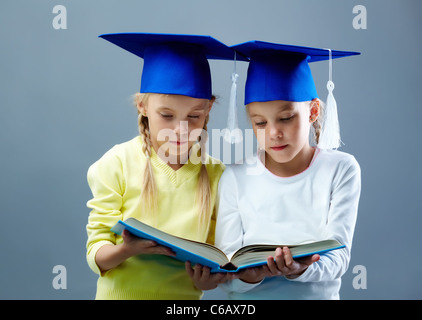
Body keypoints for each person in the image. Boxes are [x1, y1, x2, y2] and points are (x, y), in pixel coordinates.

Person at [86, 33, 237, 300]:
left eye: (194, 116)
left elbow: (215, 259)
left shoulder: (216, 175)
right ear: (142, 105)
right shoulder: (117, 163)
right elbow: (97, 255)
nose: (181, 129)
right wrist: (128, 249)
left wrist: (210, 279)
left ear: (209, 108)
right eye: (167, 115)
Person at [215, 40, 361, 299]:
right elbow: (227, 273)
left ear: (313, 111)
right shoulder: (235, 178)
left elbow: (339, 256)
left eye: (286, 118)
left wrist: (298, 270)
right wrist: (250, 275)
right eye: (260, 122)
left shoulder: (340, 169)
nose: (274, 133)